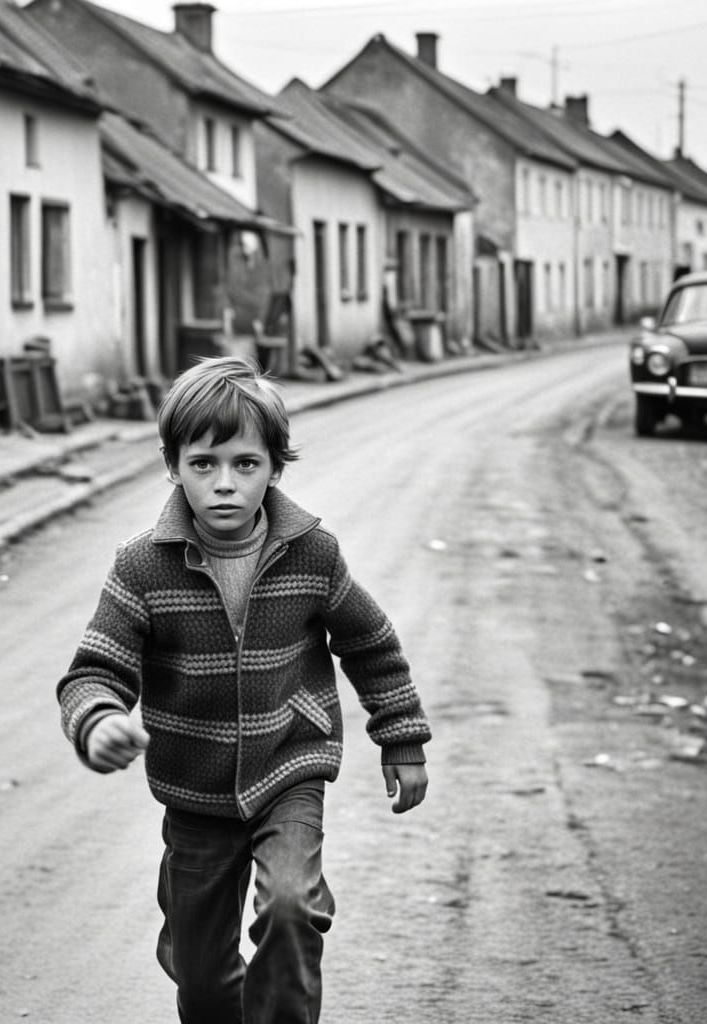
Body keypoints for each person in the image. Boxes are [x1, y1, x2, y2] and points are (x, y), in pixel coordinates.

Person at [56, 356, 431, 1023]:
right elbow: (94, 671)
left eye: (245, 464)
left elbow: (370, 644)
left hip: (289, 767)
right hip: (194, 791)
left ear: (275, 468)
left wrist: (402, 738)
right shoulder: (143, 566)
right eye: (204, 464)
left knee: (291, 907)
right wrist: (98, 719)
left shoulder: (313, 554)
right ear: (173, 466)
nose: (224, 484)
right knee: (201, 985)